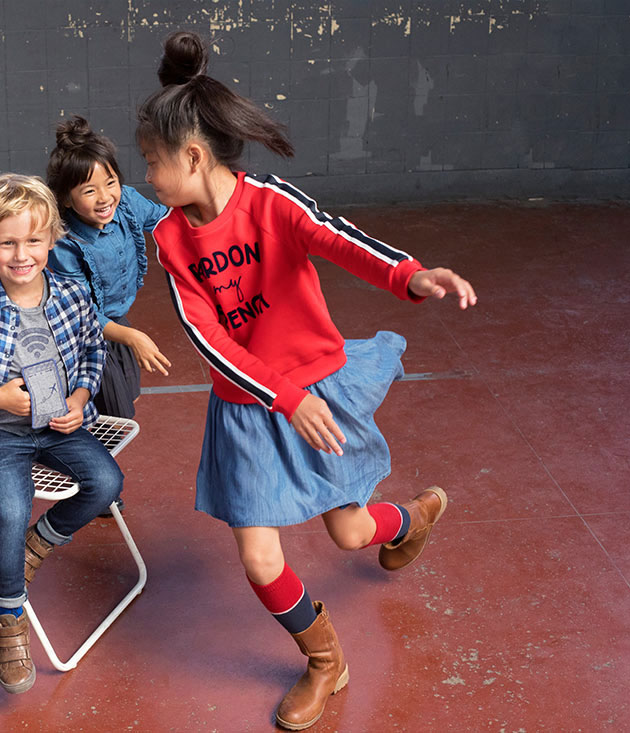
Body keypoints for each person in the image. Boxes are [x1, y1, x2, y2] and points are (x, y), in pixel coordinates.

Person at [135, 31, 478, 730]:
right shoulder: (169, 239)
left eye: (150, 163)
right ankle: (324, 661)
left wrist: (408, 274)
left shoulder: (268, 200)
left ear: (191, 156)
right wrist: (280, 398)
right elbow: (209, 340)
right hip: (252, 405)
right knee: (260, 559)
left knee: (351, 531)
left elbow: (336, 236)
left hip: (318, 390)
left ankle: (411, 517)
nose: (147, 178)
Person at [0, 173, 125, 695]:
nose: (21, 254)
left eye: (33, 240)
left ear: (52, 239)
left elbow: (91, 354)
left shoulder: (74, 295)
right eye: (7, 242)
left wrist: (80, 400)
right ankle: (10, 623)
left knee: (106, 483)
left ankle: (39, 544)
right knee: (9, 510)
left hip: (59, 424)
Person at [45, 115, 174, 420]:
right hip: (80, 335)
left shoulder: (126, 202)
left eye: (111, 182)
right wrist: (132, 337)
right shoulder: (64, 244)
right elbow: (81, 312)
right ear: (65, 199)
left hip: (114, 323)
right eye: (89, 191)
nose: (105, 197)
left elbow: (166, 220)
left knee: (128, 402)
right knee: (112, 416)